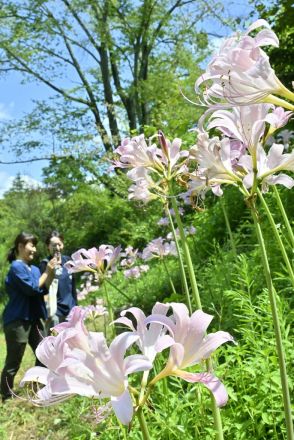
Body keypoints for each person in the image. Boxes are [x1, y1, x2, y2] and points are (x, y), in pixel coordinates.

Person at [0, 232, 57, 402]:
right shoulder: (16, 267)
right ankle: (6, 394)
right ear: (20, 246)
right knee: (14, 360)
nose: (34, 249)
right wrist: (46, 272)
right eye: (31, 245)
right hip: (18, 319)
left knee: (44, 353)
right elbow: (32, 288)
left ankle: (36, 385)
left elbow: (43, 288)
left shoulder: (34, 269)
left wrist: (51, 272)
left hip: (34, 318)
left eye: (34, 246)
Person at [40, 231, 77, 329]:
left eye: (59, 244)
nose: (57, 248)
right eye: (53, 245)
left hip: (71, 309)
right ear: (48, 246)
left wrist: (76, 307)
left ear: (63, 244)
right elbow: (45, 289)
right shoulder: (45, 264)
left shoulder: (69, 261)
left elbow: (73, 287)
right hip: (55, 312)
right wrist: (50, 271)